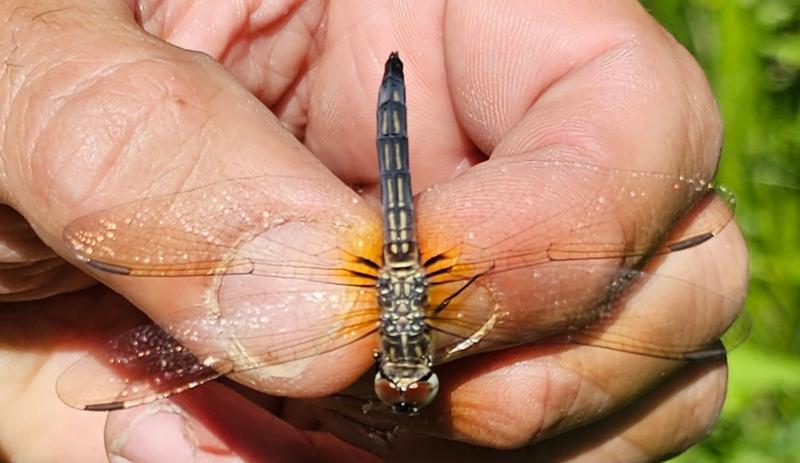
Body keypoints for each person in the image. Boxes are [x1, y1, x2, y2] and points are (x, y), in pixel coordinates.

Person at [0, 1, 748, 462]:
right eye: (410, 378)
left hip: (396, 253)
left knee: (540, 361)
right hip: (382, 252)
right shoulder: (391, 311)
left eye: (404, 379)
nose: (408, 380)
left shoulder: (423, 318)